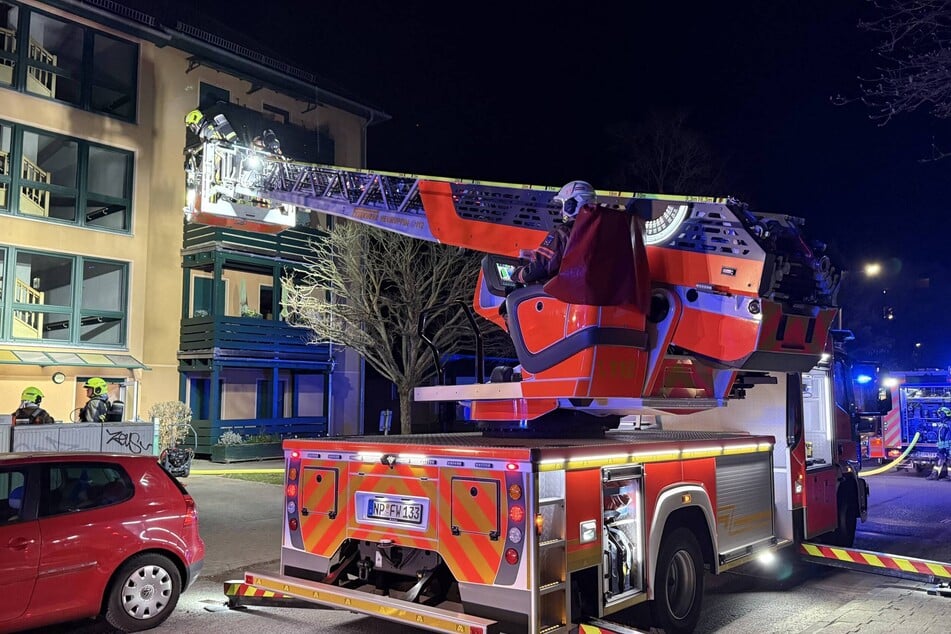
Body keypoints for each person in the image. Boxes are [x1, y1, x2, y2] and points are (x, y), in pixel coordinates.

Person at [510, 180, 597, 285]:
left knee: (513, 294)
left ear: (571, 205)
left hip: (564, 293)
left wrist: (518, 274)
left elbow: (540, 268)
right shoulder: (601, 230)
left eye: (563, 205)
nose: (561, 211)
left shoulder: (562, 233)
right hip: (592, 290)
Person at [927, 407, 951, 480]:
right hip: (943, 446)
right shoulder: (943, 423)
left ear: (946, 414)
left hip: (947, 446)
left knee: (946, 460)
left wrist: (946, 447)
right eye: (940, 414)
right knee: (941, 460)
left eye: (941, 414)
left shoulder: (949, 423)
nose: (940, 415)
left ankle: (936, 475)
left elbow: (946, 436)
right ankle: (936, 475)